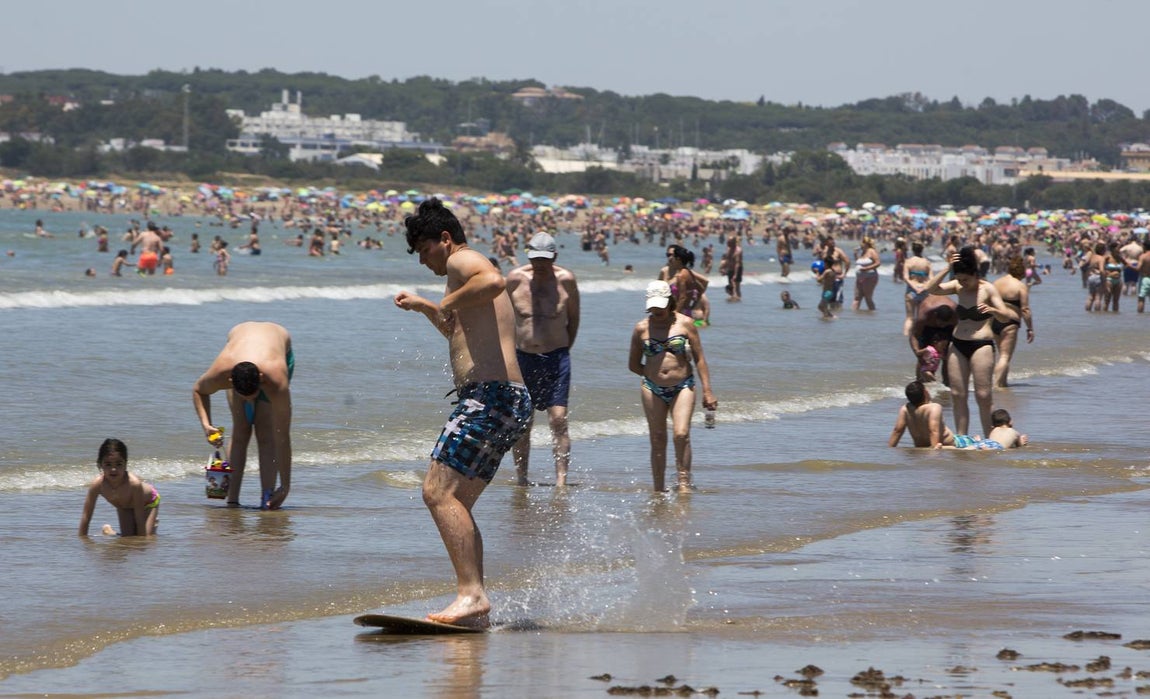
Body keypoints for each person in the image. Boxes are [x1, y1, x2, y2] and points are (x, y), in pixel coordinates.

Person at [393, 198, 532, 628]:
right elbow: (456, 332)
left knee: (437, 493)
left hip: (490, 398)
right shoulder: (462, 275)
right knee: (455, 503)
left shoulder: (464, 260)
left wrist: (449, 299)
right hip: (507, 399)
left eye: (424, 250)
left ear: (445, 239)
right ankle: (475, 603)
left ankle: (471, 595)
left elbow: (494, 281)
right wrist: (427, 306)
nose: (423, 261)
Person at [192, 322, 294, 510]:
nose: (249, 400)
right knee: (241, 429)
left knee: (266, 433)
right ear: (230, 381)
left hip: (275, 351)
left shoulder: (276, 381)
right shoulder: (221, 372)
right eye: (244, 396)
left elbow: (282, 436)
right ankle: (232, 500)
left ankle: (267, 498)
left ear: (261, 379)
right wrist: (207, 425)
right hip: (238, 353)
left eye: (252, 395)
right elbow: (198, 390)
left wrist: (285, 485)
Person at [507, 231, 581, 487]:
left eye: (545, 259)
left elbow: (574, 319)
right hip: (522, 358)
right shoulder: (515, 279)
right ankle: (522, 478)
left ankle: (561, 481)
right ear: (528, 255)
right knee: (523, 422)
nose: (539, 264)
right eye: (535, 258)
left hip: (556, 357)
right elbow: (502, 317)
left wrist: (562, 349)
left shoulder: (566, 280)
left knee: (558, 419)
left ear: (555, 257)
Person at [628, 280, 717, 492]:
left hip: (683, 385)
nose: (657, 311)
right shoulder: (641, 328)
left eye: (661, 305)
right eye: (653, 307)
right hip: (652, 388)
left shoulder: (686, 324)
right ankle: (658, 489)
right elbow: (633, 364)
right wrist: (654, 374)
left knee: (681, 434)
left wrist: (707, 391)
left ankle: (683, 482)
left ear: (670, 301)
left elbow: (700, 359)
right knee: (657, 437)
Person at [925, 246, 1017, 435]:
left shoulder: (988, 289)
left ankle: (990, 437)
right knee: (958, 394)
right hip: (958, 344)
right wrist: (947, 268)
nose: (962, 283)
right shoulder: (957, 287)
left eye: (965, 279)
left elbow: (1005, 317)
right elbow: (931, 288)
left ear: (975, 274)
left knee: (983, 395)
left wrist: (993, 311)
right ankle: (962, 438)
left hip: (981, 345)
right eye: (959, 279)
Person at [79, 438, 160, 536]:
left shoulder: (134, 484)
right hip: (124, 506)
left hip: (148, 503)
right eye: (108, 464)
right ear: (101, 465)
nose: (113, 469)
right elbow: (86, 516)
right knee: (127, 537)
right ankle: (109, 531)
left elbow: (139, 519)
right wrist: (81, 539)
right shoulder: (97, 485)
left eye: (119, 464)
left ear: (125, 465)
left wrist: (141, 542)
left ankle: (153, 523)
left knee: (146, 537)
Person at [991, 257, 1034, 388]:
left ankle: (1003, 383)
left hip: (994, 320)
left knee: (1002, 355)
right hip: (1010, 322)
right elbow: (1025, 310)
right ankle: (996, 385)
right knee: (1005, 356)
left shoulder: (996, 283)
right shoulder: (1020, 286)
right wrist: (1030, 328)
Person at [888, 380, 956, 449]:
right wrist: (934, 448)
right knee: (962, 440)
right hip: (950, 444)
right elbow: (933, 431)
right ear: (925, 392)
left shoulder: (905, 409)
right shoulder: (934, 407)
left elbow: (897, 431)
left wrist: (890, 448)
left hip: (921, 446)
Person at [909, 295, 956, 384]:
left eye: (945, 324)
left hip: (949, 328)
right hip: (928, 327)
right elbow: (914, 335)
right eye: (940, 323)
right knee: (924, 357)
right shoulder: (924, 315)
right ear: (935, 316)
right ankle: (920, 383)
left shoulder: (956, 315)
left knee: (946, 356)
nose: (942, 326)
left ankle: (947, 384)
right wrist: (917, 352)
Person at [902, 241, 932, 335]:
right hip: (924, 290)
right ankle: (919, 337)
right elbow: (932, 279)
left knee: (909, 318)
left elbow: (906, 278)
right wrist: (923, 288)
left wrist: (915, 287)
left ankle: (906, 337)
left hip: (911, 290)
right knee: (921, 317)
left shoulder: (908, 261)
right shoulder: (927, 262)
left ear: (912, 249)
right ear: (922, 249)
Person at [852, 236, 881, 310]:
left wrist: (866, 268)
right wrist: (855, 254)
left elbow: (878, 263)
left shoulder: (871, 251)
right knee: (857, 297)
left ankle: (872, 313)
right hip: (860, 277)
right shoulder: (863, 252)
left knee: (867, 297)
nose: (860, 244)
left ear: (866, 243)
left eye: (862, 243)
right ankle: (853, 314)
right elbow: (859, 262)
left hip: (870, 277)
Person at [1137, 244, 1150, 313]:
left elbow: (1138, 268)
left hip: (1145, 278)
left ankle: (1140, 316)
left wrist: (1129, 265)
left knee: (1141, 299)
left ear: (1144, 247)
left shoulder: (1143, 256)